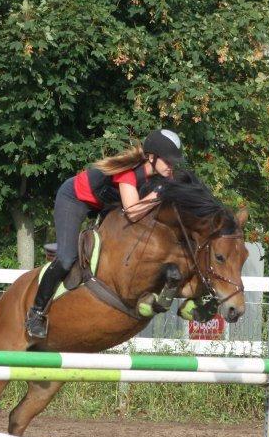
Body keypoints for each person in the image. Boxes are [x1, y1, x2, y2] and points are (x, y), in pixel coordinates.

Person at [24, 129, 185, 339]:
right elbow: (134, 212)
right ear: (151, 157)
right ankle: (36, 313)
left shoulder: (163, 174)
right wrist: (157, 195)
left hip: (106, 205)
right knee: (66, 259)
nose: (171, 166)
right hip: (75, 199)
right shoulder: (128, 173)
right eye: (168, 161)